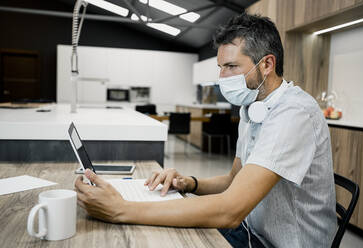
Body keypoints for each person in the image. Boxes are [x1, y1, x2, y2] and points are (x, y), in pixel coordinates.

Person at [75, 13, 337, 247]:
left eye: (232, 66)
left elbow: (230, 210)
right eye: (221, 68)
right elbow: (234, 179)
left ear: (267, 64)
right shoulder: (252, 107)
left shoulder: (293, 113)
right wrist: (189, 182)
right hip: (249, 231)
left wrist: (122, 209)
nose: (223, 78)